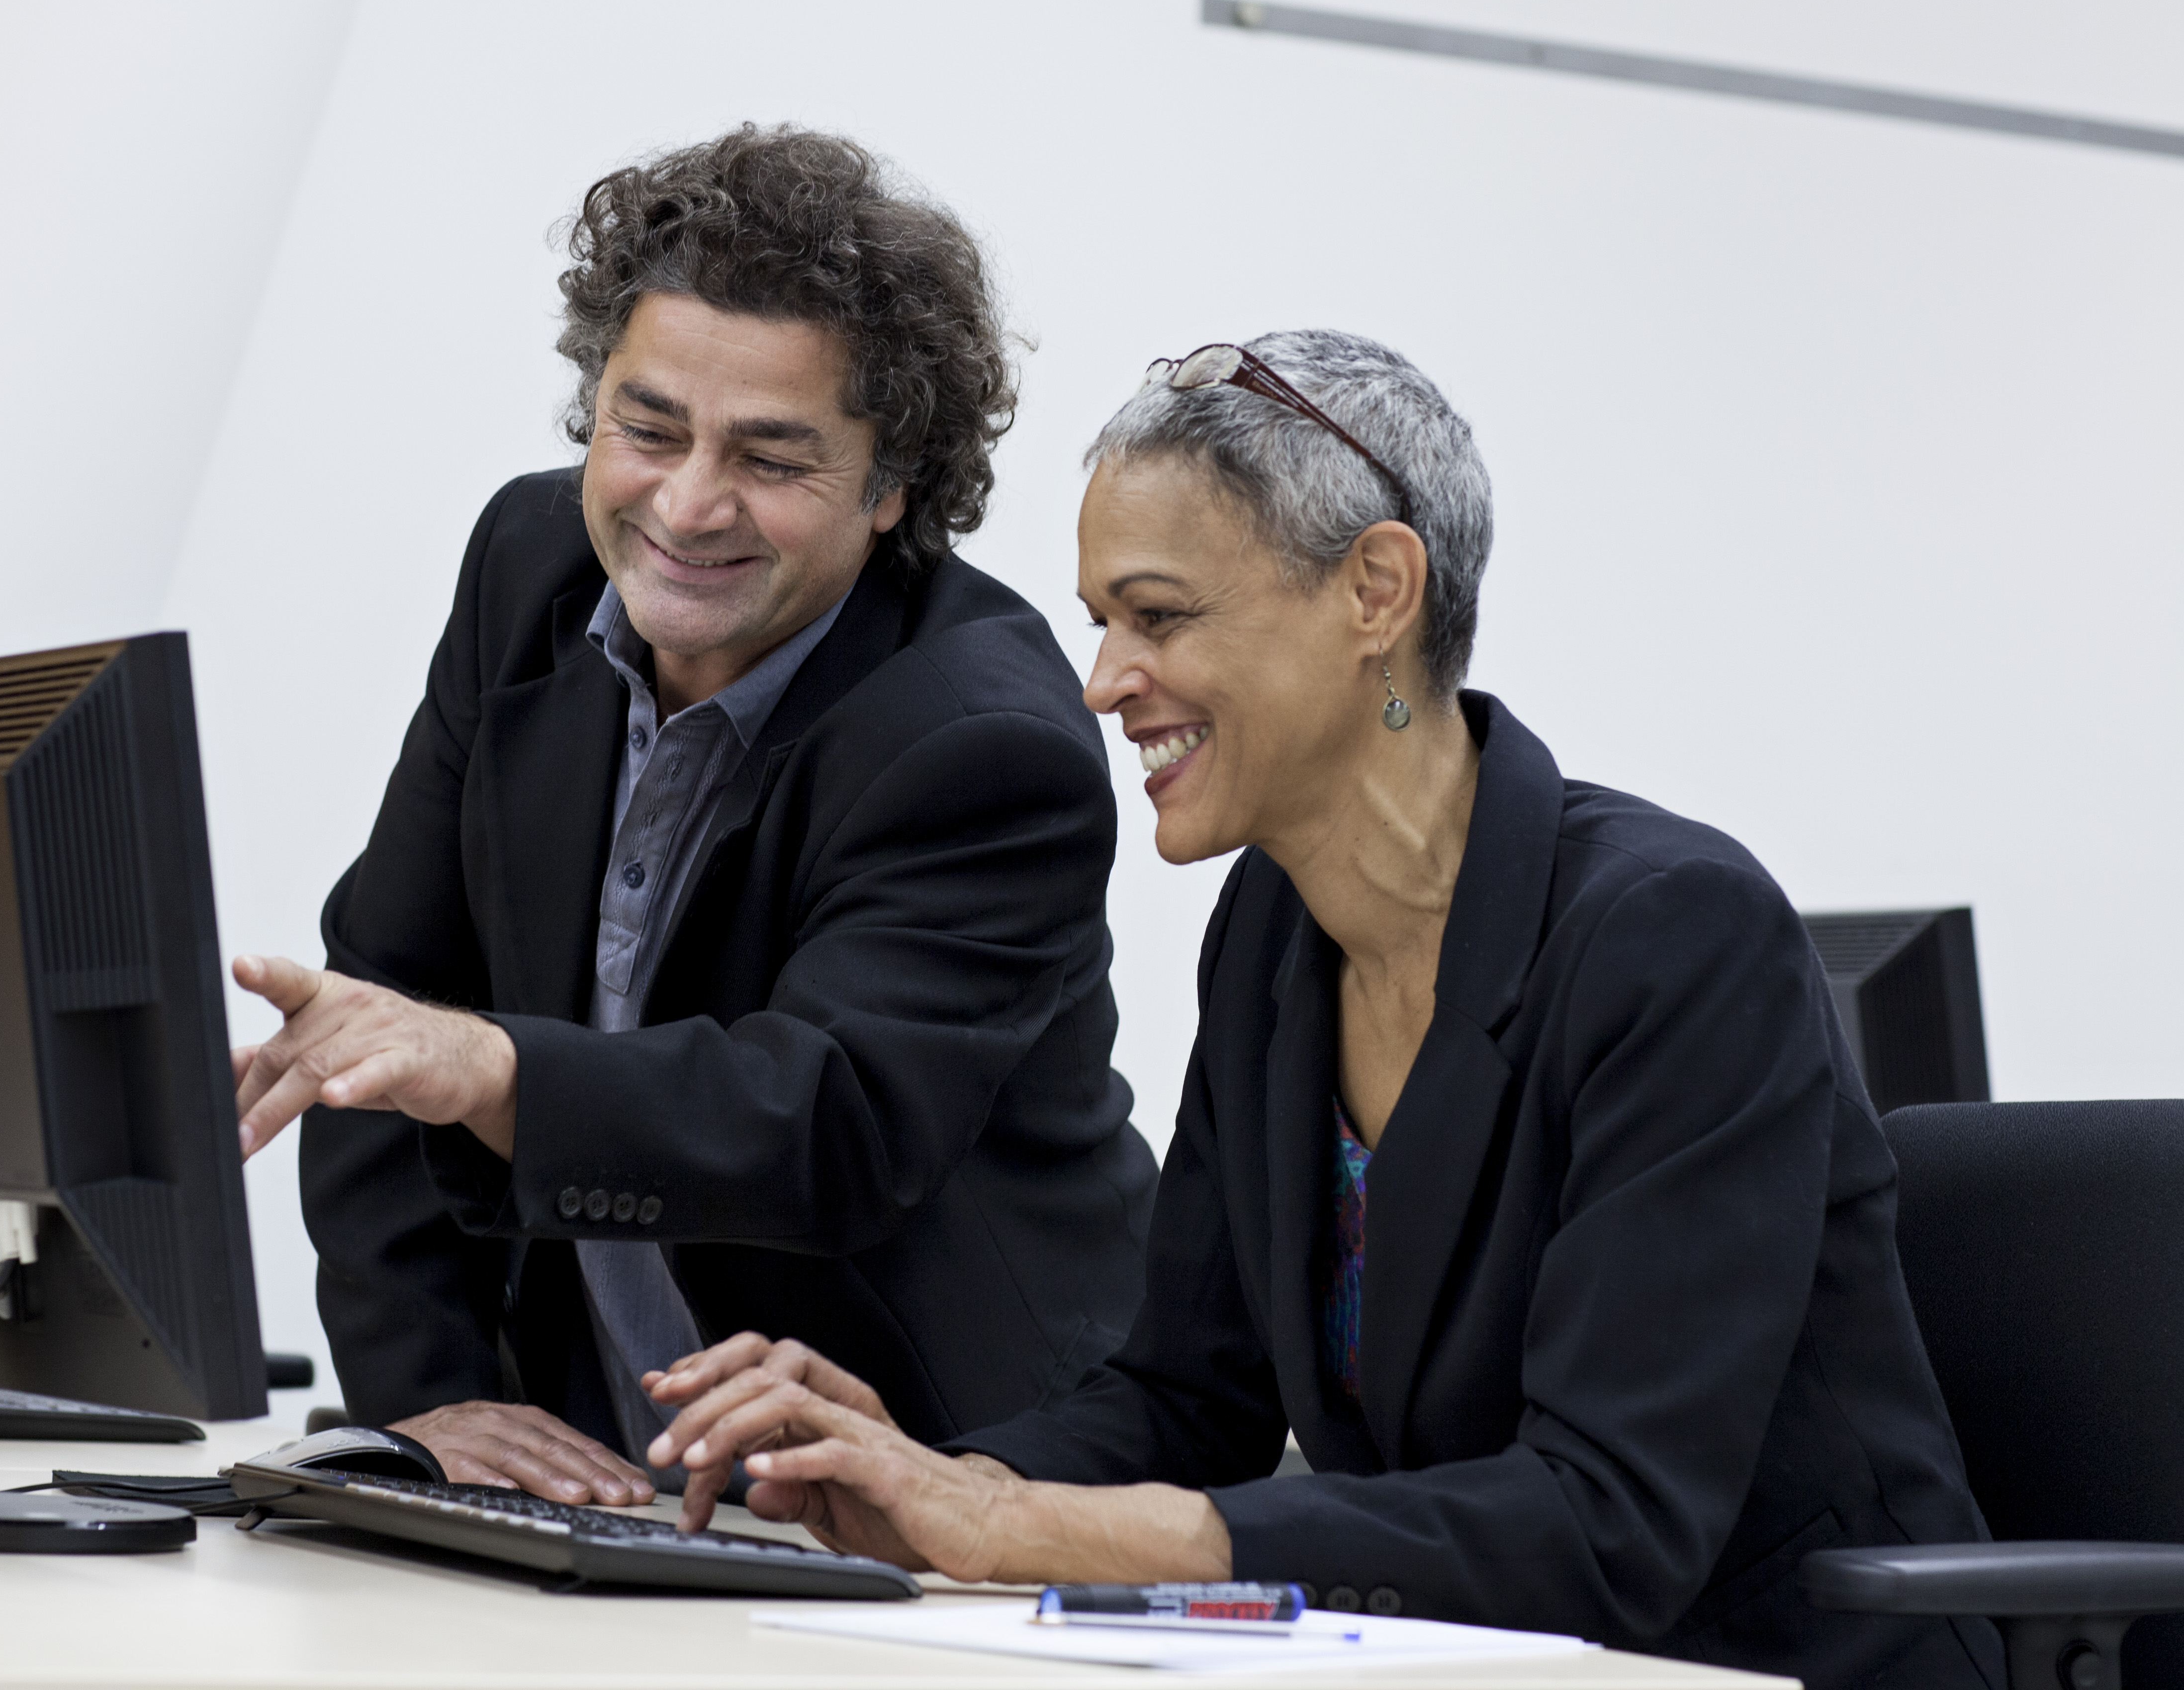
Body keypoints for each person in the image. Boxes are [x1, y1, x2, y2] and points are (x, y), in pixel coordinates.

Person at [639, 330, 2000, 1688]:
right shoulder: (1277, 933)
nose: (1104, 679)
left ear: (1375, 590)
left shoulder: (1676, 935)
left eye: (1158, 616)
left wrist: (1014, 1526)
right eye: (1103, 619)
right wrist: (928, 1478)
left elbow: (1608, 1522)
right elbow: (1190, 1398)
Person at [229, 126, 1157, 1508]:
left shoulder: (989, 740)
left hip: (942, 1478)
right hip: (602, 1471)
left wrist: (493, 1071)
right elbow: (381, 1018)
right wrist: (428, 1406)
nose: (687, 502)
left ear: (892, 484)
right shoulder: (524, 571)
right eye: (648, 428)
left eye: (770, 458)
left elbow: (823, 1118)